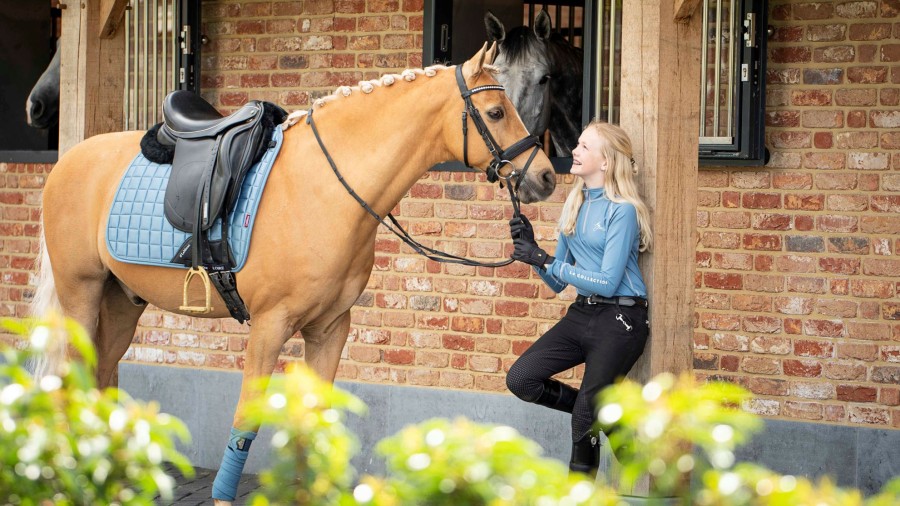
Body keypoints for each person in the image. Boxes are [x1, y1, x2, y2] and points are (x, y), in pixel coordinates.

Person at [505, 120, 652, 477]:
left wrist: (546, 260)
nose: (574, 150)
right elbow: (558, 281)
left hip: (621, 321)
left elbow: (606, 281)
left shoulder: (623, 211)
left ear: (606, 162)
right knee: (521, 379)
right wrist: (534, 252)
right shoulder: (576, 203)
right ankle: (606, 418)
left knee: (583, 420)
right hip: (582, 315)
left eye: (585, 146)